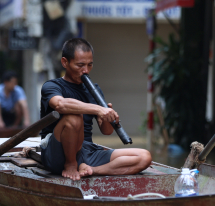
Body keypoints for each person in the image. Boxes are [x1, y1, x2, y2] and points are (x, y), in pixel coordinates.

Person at [39, 38, 152, 180]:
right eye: (80, 65)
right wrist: (97, 109)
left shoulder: (94, 89)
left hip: (87, 151)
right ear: (65, 62)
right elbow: (60, 105)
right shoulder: (51, 86)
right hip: (57, 153)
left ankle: (92, 170)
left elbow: (107, 131)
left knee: (144, 156)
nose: (85, 71)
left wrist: (109, 117)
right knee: (74, 116)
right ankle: (71, 164)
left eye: (89, 65)